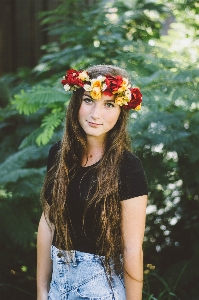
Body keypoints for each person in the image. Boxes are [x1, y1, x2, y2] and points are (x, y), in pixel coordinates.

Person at [37, 64, 148, 300]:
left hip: (102, 289)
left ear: (121, 111)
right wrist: (41, 290)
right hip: (59, 286)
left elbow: (132, 249)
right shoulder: (58, 154)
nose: (95, 114)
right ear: (76, 102)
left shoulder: (128, 167)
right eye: (89, 100)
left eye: (109, 104)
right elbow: (48, 222)